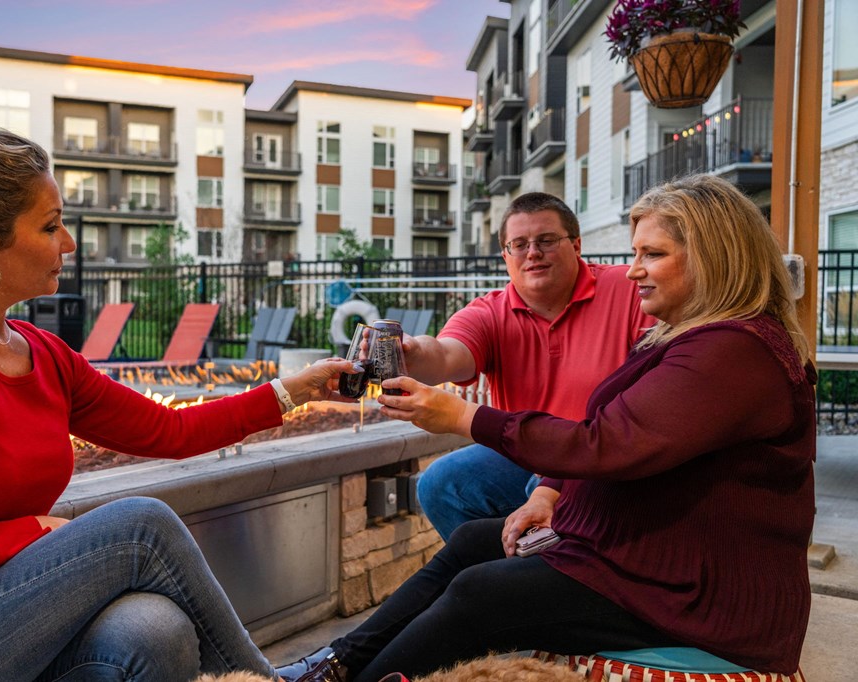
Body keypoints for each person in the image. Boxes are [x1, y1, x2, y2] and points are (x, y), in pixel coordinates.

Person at [0, 119, 359, 682]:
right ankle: (270, 680)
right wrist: (32, 533)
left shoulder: (44, 355)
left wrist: (292, 391)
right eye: (51, 226)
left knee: (156, 632)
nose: (69, 243)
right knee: (141, 522)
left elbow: (168, 432)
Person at [278, 175, 814, 682]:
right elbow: (616, 431)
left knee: (481, 593)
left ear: (715, 258)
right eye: (634, 254)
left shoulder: (733, 352)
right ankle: (335, 664)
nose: (634, 271)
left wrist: (464, 417)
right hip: (635, 541)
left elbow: (608, 443)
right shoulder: (692, 336)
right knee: (472, 542)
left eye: (652, 255)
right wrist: (554, 494)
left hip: (696, 589)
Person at [407, 193, 652, 539]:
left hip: (604, 453)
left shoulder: (627, 291)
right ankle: (502, 577)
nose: (533, 253)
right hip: (525, 453)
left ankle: (543, 578)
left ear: (577, 245)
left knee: (545, 491)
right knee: (441, 484)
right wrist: (412, 351)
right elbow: (446, 355)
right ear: (505, 255)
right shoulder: (490, 312)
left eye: (547, 240)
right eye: (518, 244)